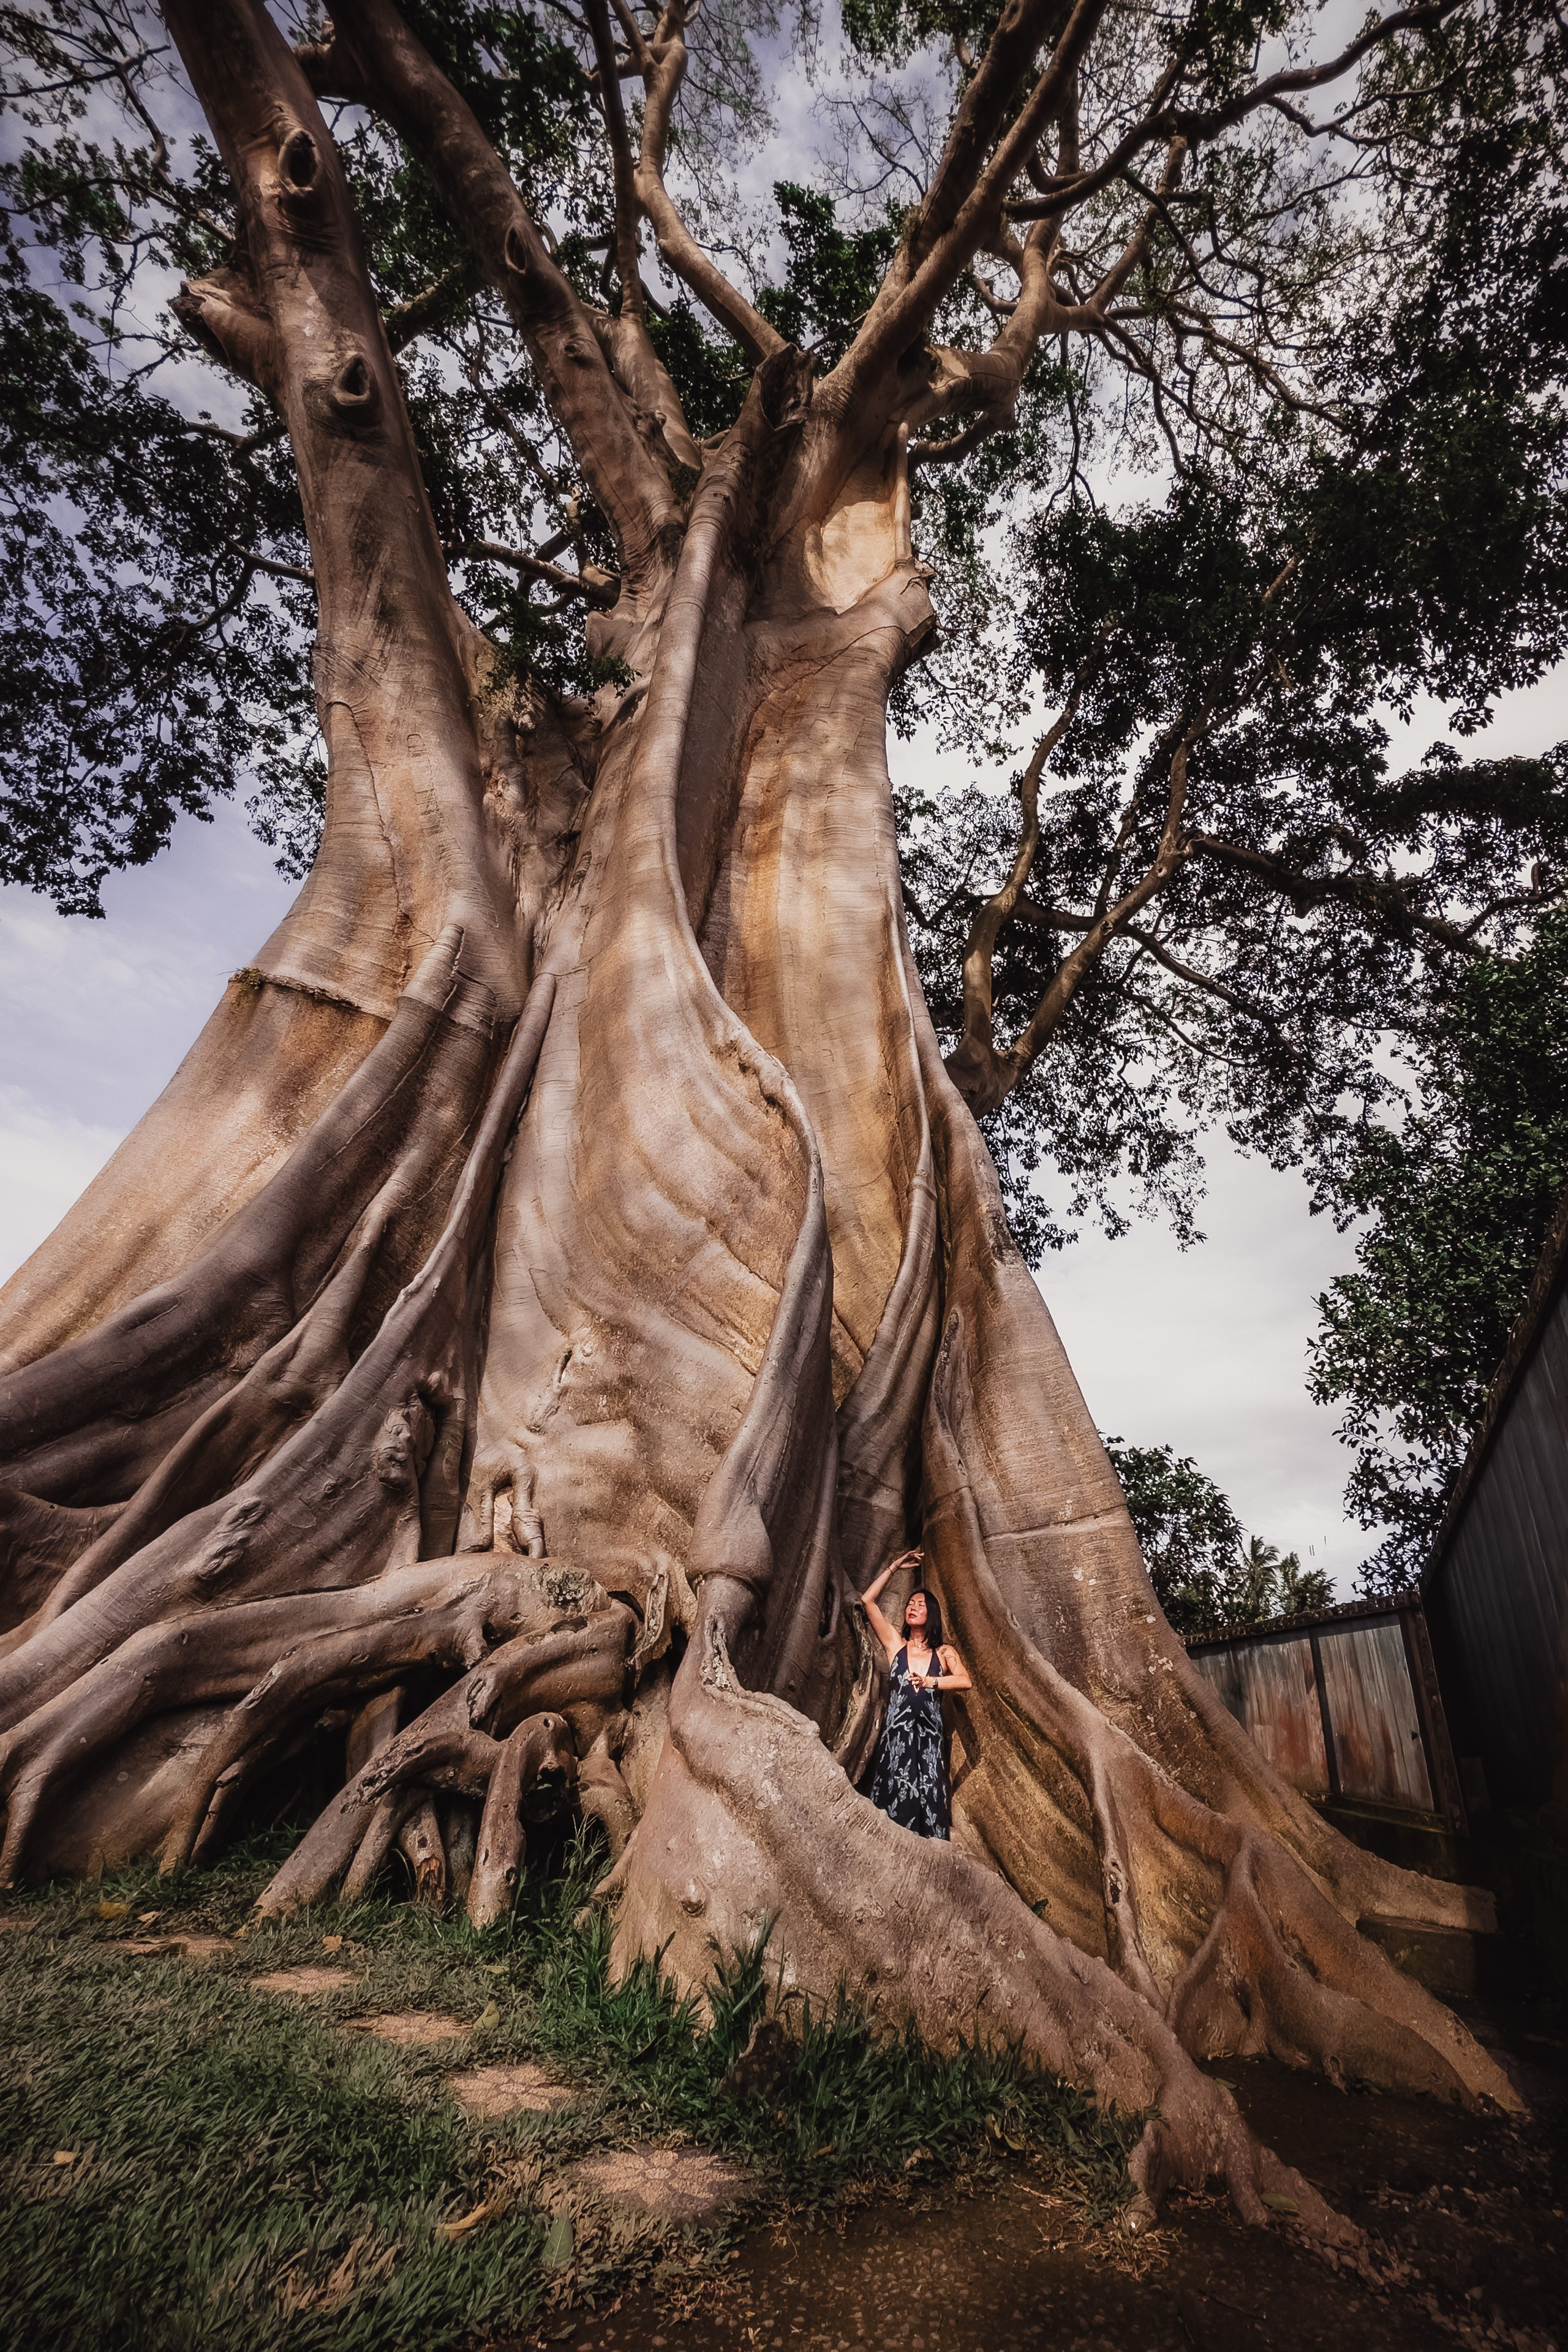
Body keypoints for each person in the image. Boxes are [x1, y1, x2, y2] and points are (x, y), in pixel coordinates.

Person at [859, 1548, 972, 1839]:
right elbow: (867, 1601)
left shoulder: (944, 1652)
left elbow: (964, 1681)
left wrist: (931, 1682)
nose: (912, 1607)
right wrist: (895, 1566)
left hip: (930, 1740)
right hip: (896, 1739)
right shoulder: (895, 1645)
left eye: (920, 1604)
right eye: (910, 1603)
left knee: (930, 1807)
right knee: (893, 1805)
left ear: (931, 1613)